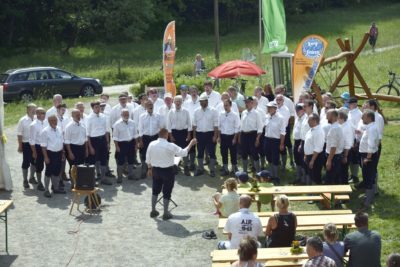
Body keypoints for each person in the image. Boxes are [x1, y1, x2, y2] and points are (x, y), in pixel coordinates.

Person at [146, 128, 197, 220]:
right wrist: (191, 144)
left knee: (155, 191)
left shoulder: (151, 144)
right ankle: (165, 212)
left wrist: (149, 168)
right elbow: (184, 153)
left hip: (155, 170)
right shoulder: (170, 145)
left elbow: (148, 158)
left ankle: (153, 210)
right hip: (167, 171)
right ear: (166, 135)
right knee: (167, 191)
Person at [86, 101, 113, 185]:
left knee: (103, 159)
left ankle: (103, 178)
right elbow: (87, 134)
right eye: (96, 107)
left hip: (103, 140)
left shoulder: (103, 116)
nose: (98, 109)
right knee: (93, 161)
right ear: (92, 108)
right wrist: (90, 147)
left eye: (98, 107)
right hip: (94, 141)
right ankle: (92, 180)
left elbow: (106, 130)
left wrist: (107, 143)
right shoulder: (89, 118)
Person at [192, 95, 219, 177]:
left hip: (210, 134)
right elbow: (194, 125)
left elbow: (216, 124)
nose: (201, 103)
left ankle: (212, 170)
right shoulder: (196, 111)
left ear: (207, 101)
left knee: (212, 153)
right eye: (200, 101)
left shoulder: (213, 110)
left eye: (203, 101)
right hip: (200, 134)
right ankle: (200, 169)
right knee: (200, 152)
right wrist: (194, 137)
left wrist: (215, 136)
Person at [359, 110, 380, 210]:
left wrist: (368, 158)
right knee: (367, 176)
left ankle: (367, 202)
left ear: (369, 118)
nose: (362, 118)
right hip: (367, 155)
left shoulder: (371, 129)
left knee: (368, 177)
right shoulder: (370, 127)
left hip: (369, 156)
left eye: (363, 117)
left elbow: (371, 144)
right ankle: (368, 197)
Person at [166, 95, 192, 176]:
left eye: (179, 101)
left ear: (182, 102)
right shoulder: (171, 112)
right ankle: (175, 167)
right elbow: (168, 125)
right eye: (176, 101)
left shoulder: (186, 111)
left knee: (185, 150)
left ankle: (186, 167)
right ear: (174, 102)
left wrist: (188, 135)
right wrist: (171, 136)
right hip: (174, 133)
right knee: (175, 151)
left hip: (184, 133)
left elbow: (189, 124)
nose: (178, 103)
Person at [41, 115, 66, 197]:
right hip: (50, 153)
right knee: (48, 172)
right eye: (53, 120)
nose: (55, 122)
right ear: (49, 121)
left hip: (59, 153)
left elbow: (62, 142)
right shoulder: (45, 131)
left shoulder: (59, 129)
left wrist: (62, 153)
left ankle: (55, 188)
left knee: (57, 171)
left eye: (56, 120)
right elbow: (43, 146)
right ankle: (46, 190)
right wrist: (46, 157)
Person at [138, 101, 163, 179]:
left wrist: (160, 139)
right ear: (145, 107)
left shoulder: (158, 115)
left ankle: (155, 171)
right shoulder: (142, 116)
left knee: (155, 154)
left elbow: (161, 128)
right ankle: (144, 170)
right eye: (148, 105)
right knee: (144, 154)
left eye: (151, 104)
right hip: (145, 138)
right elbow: (140, 129)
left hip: (155, 137)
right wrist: (140, 141)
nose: (150, 106)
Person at [113, 109, 138, 182]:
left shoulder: (133, 123)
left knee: (131, 160)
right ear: (121, 115)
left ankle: (130, 175)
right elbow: (115, 137)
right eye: (124, 114)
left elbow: (135, 134)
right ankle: (119, 177)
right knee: (120, 161)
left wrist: (136, 144)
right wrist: (117, 146)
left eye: (127, 114)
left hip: (131, 143)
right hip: (122, 144)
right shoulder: (117, 124)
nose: (126, 116)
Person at [263, 102, 286, 185]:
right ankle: (271, 174)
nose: (268, 109)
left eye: (270, 107)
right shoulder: (267, 116)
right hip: (267, 139)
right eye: (268, 107)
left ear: (275, 108)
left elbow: (283, 132)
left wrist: (282, 144)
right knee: (269, 158)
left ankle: (276, 176)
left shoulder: (280, 118)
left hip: (276, 140)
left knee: (275, 158)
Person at [64, 109, 88, 187]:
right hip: (73, 148)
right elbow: (67, 141)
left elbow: (85, 138)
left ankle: (80, 182)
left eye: (79, 114)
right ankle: (73, 184)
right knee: (73, 167)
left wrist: (86, 149)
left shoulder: (83, 124)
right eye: (76, 115)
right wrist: (70, 153)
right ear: (72, 116)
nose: (78, 116)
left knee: (81, 166)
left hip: (82, 147)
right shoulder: (69, 127)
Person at [239, 97, 263, 173]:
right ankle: (245, 171)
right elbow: (241, 126)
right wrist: (240, 136)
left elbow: (260, 127)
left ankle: (258, 171)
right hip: (244, 135)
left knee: (254, 153)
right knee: (244, 153)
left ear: (252, 103)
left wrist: (257, 139)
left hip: (252, 135)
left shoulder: (256, 113)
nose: (246, 104)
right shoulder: (243, 113)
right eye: (245, 102)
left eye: (248, 102)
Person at [218, 99, 240, 176]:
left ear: (230, 105)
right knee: (224, 153)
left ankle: (233, 169)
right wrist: (219, 137)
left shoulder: (235, 115)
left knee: (233, 153)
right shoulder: (221, 114)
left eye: (227, 105)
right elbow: (219, 126)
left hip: (232, 137)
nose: (225, 107)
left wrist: (235, 138)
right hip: (223, 136)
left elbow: (237, 127)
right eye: (224, 105)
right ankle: (225, 169)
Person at [17, 103, 37, 188]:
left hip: (36, 144)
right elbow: (19, 134)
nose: (34, 111)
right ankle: (25, 180)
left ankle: (32, 177)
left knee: (35, 161)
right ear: (28, 110)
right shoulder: (22, 120)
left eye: (35, 109)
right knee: (26, 162)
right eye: (33, 109)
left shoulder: (37, 118)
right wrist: (20, 145)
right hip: (26, 144)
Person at [304, 113, 325, 185]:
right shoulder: (311, 129)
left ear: (315, 121)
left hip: (316, 157)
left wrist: (312, 160)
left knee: (315, 176)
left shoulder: (319, 132)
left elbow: (318, 148)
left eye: (309, 120)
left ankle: (316, 193)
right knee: (311, 174)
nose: (308, 121)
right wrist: (306, 155)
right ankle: (311, 192)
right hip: (310, 156)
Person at [29, 107, 47, 191]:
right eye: (42, 113)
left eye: (44, 112)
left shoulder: (46, 122)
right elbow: (31, 140)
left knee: (48, 164)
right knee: (39, 165)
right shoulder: (33, 125)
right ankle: (40, 183)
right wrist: (34, 152)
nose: (43, 114)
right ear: (37, 114)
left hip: (47, 146)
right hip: (38, 147)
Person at [325, 110, 345, 185]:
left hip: (333, 157)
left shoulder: (334, 128)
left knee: (330, 179)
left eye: (328, 115)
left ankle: (331, 195)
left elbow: (333, 146)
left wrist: (329, 160)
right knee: (335, 178)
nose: (326, 117)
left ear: (333, 116)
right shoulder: (336, 126)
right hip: (335, 156)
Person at [183, 86, 200, 171]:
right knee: (188, 143)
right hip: (188, 126)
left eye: (195, 91)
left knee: (197, 145)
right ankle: (189, 162)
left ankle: (194, 162)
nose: (193, 93)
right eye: (192, 91)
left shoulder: (201, 101)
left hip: (198, 127)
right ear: (189, 93)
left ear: (197, 92)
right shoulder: (186, 102)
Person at [275, 94, 292, 170]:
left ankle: (283, 165)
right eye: (277, 99)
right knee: (277, 148)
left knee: (282, 148)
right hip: (276, 132)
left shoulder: (285, 110)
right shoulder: (275, 108)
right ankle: (278, 162)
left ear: (283, 101)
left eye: (280, 100)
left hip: (283, 131)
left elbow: (284, 123)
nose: (278, 101)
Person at [347, 97, 362, 183]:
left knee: (355, 159)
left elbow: (358, 127)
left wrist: (354, 140)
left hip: (354, 138)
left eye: (350, 103)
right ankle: (352, 175)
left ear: (355, 103)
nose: (349, 105)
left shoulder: (358, 114)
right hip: (350, 137)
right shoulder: (351, 112)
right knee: (351, 158)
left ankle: (355, 176)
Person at [338, 109, 354, 185]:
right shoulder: (343, 125)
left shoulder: (346, 127)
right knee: (341, 171)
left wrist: (345, 156)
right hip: (342, 150)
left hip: (345, 151)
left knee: (343, 171)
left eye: (337, 117)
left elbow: (347, 143)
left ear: (341, 118)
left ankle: (344, 189)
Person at [293, 103, 306, 184]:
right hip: (296, 141)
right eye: (296, 110)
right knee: (297, 159)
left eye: (299, 109)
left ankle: (304, 179)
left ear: (303, 110)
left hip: (302, 141)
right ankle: (298, 177)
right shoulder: (297, 118)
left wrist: (301, 144)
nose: (297, 111)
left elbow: (304, 133)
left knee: (302, 161)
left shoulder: (305, 119)